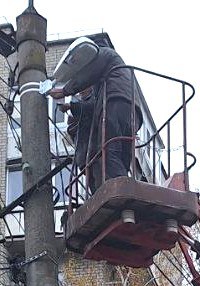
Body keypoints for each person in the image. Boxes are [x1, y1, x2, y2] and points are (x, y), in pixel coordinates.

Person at [50, 41, 138, 192]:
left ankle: (124, 192)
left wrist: (65, 91)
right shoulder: (114, 74)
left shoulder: (104, 54)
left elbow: (88, 74)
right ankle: (127, 189)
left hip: (114, 104)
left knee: (109, 152)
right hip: (133, 111)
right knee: (122, 155)